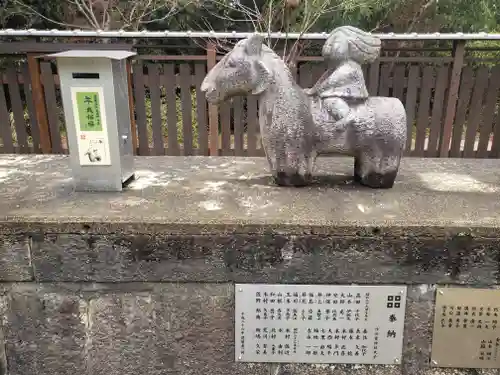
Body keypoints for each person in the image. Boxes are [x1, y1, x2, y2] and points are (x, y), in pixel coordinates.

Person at [304, 26, 381, 126]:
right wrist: (312, 90)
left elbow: (330, 82)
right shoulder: (337, 67)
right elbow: (324, 79)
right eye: (328, 44)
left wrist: (314, 91)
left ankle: (347, 115)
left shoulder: (350, 67)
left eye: (334, 44)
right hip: (340, 91)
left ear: (350, 46)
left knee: (330, 101)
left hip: (350, 93)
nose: (329, 48)